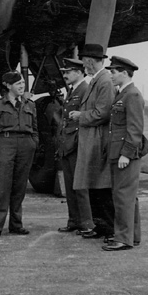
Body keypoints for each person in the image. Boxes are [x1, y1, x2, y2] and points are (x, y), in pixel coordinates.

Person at [69, 43, 115, 240]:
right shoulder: (98, 80)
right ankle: (101, 227)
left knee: (102, 188)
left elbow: (103, 113)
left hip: (98, 140)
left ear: (89, 61)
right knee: (94, 186)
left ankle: (110, 228)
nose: (83, 65)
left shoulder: (104, 81)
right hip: (92, 140)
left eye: (84, 61)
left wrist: (80, 115)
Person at [0, 71, 38, 238]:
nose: (22, 86)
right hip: (5, 145)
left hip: (25, 146)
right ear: (7, 85)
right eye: (18, 83)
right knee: (1, 187)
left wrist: (33, 144)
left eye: (23, 83)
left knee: (20, 187)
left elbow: (35, 129)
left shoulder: (30, 105)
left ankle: (16, 224)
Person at [102, 56, 146, 251]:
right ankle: (132, 236)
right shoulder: (123, 94)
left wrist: (126, 154)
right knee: (127, 195)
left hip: (125, 153)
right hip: (118, 151)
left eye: (113, 72)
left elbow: (135, 128)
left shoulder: (132, 95)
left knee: (123, 196)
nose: (111, 75)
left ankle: (123, 239)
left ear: (124, 73)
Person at [56, 58, 95, 234]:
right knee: (71, 184)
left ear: (79, 72)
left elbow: (85, 117)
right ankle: (74, 221)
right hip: (68, 144)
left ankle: (86, 223)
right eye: (64, 72)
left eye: (68, 72)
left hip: (77, 143)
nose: (65, 75)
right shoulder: (72, 90)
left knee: (80, 186)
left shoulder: (85, 89)